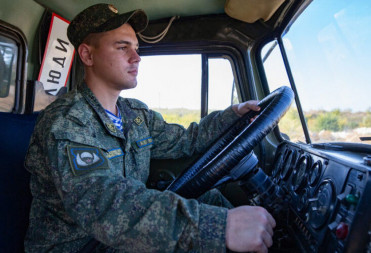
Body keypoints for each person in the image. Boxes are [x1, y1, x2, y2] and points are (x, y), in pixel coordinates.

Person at [25, 3, 276, 253]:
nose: (136, 57)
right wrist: (217, 227)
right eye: (123, 47)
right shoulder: (67, 121)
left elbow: (186, 141)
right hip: (83, 245)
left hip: (116, 236)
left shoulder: (135, 114)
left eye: (136, 48)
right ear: (88, 55)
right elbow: (103, 205)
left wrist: (231, 115)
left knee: (210, 199)